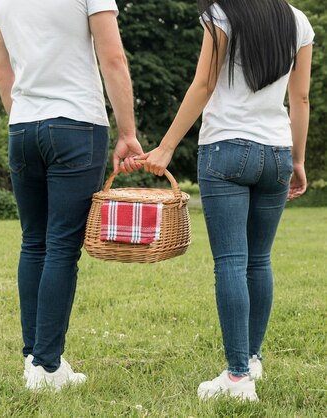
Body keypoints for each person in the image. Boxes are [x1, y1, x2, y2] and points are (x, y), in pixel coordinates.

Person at [139, 0, 314, 401]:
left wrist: (166, 148)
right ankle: (251, 360)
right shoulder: (298, 20)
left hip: (226, 150)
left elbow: (204, 84)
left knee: (233, 262)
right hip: (277, 152)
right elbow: (300, 99)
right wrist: (298, 160)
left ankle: (237, 380)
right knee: (259, 260)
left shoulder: (222, 13)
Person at [0, 0, 143, 391]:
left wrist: (22, 114)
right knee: (60, 247)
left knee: (34, 243)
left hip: (22, 128)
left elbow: (1, 72)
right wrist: (127, 133)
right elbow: (113, 58)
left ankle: (34, 359)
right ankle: (47, 366)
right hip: (76, 125)